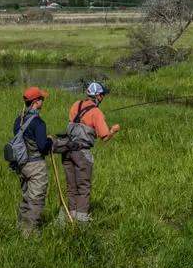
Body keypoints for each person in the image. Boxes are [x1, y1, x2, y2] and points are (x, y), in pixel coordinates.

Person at [61, 82, 120, 223]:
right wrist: (114, 130)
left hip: (67, 150)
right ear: (98, 96)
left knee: (71, 185)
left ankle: (70, 215)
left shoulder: (76, 105)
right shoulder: (97, 112)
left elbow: (75, 122)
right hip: (82, 153)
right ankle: (81, 220)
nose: (103, 97)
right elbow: (104, 137)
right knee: (83, 186)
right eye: (103, 95)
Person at [13, 86, 53, 234]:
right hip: (36, 165)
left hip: (21, 164)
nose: (43, 100)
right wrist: (50, 141)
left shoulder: (18, 120)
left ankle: (21, 226)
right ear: (36, 102)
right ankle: (29, 233)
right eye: (41, 99)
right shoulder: (38, 123)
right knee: (36, 199)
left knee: (26, 196)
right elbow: (43, 147)